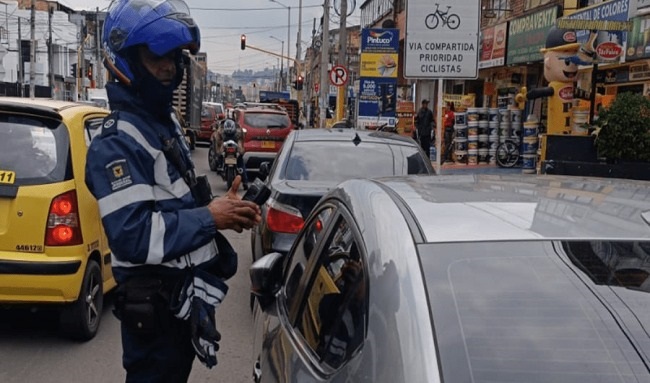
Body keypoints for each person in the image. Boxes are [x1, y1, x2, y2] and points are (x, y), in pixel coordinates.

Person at [84, 0, 261, 381]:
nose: (169, 68)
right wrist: (210, 217)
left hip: (179, 309)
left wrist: (220, 209)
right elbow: (133, 236)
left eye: (174, 58)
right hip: (154, 317)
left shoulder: (163, 125)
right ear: (126, 61)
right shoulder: (116, 143)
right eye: (156, 57)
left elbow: (177, 204)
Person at [215, 118, 249, 189]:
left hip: (236, 151)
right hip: (225, 151)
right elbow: (218, 142)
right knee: (220, 158)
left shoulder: (239, 131)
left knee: (240, 163)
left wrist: (241, 151)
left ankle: (245, 182)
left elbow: (242, 141)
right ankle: (245, 182)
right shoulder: (220, 131)